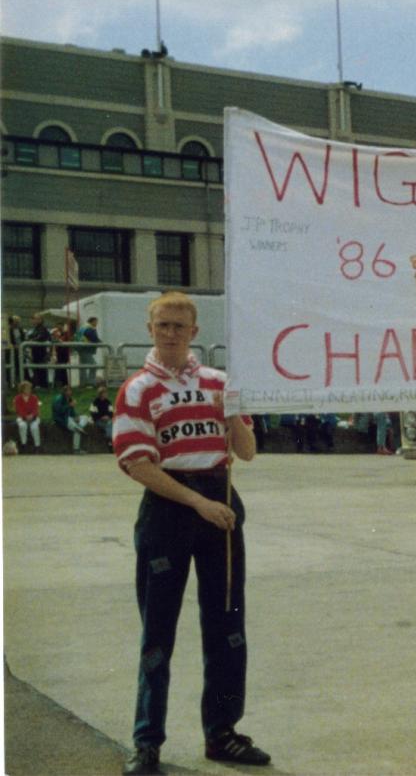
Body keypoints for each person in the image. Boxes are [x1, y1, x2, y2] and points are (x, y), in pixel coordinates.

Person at [113, 291, 270, 775]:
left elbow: (246, 452)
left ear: (195, 332)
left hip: (220, 502)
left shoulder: (221, 382)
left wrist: (232, 414)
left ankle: (222, 732)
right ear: (151, 328)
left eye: (180, 326)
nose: (172, 334)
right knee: (157, 630)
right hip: (170, 507)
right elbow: (137, 463)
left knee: (227, 627)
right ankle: (147, 742)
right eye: (163, 325)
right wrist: (199, 504)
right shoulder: (137, 389)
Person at [52, 384, 92, 453]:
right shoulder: (59, 399)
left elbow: (72, 412)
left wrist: (76, 417)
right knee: (74, 426)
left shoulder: (70, 399)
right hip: (62, 420)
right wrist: (69, 405)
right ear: (64, 392)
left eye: (70, 391)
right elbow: (59, 411)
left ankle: (79, 428)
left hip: (70, 419)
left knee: (85, 417)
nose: (69, 393)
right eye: (68, 391)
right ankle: (79, 430)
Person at [13, 379, 42, 451]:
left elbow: (36, 408)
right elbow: (18, 410)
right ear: (22, 389)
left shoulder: (34, 398)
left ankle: (37, 446)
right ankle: (24, 444)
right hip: (22, 417)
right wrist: (25, 416)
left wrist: (32, 415)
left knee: (34, 427)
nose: (29, 390)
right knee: (22, 426)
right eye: (27, 388)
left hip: (34, 417)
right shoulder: (17, 398)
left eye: (30, 388)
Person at [26, 313, 52, 388]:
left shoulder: (42, 328)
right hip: (35, 351)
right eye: (34, 319)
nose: (34, 320)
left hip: (41, 351)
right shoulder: (35, 329)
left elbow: (41, 337)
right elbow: (30, 336)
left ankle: (43, 384)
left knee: (41, 368)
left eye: (37, 319)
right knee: (37, 368)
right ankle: (39, 384)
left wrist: (32, 340)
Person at [77, 316, 102, 385]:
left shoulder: (84, 327)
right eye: (96, 321)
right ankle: (91, 381)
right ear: (92, 321)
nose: (97, 323)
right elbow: (92, 337)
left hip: (81, 348)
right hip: (86, 349)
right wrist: (99, 341)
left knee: (83, 366)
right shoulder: (89, 328)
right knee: (93, 365)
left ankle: (83, 382)